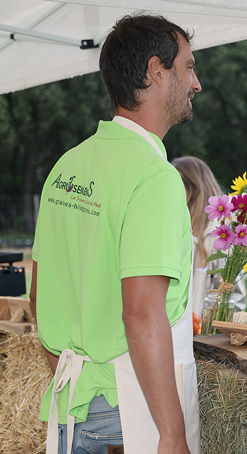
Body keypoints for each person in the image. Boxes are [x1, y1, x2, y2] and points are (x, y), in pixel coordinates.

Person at [30, 15, 202, 454]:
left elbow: (39, 291)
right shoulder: (154, 177)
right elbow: (142, 313)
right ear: (155, 71)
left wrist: (77, 378)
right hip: (130, 411)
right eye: (188, 66)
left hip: (75, 403)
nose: (196, 83)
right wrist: (171, 434)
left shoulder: (66, 167)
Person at [172, 156, 247, 314]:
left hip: (204, 336)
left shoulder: (220, 235)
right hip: (177, 333)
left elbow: (234, 299)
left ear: (195, 187)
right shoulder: (175, 228)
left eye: (176, 184)